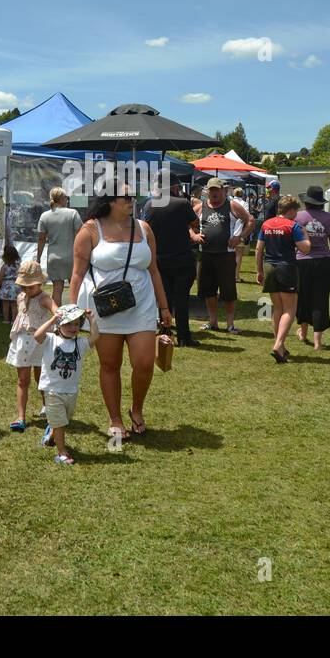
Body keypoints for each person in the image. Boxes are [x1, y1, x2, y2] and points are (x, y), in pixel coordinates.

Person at [70, 185, 172, 441]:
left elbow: (154, 270)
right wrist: (72, 309)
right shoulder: (90, 229)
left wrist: (164, 307)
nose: (132, 200)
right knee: (110, 364)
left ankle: (136, 408)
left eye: (133, 196)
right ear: (110, 201)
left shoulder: (144, 228)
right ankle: (115, 418)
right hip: (105, 308)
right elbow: (77, 274)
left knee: (144, 363)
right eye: (126, 197)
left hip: (142, 305)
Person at [33, 303, 99, 466]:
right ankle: (62, 453)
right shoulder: (50, 340)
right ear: (59, 324)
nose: (72, 327)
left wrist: (91, 319)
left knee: (64, 419)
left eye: (76, 324)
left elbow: (95, 337)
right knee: (60, 423)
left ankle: (51, 434)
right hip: (53, 390)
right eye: (68, 323)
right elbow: (37, 335)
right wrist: (53, 318)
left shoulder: (80, 343)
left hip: (71, 391)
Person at [142, 181, 201, 346]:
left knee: (164, 299)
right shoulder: (182, 203)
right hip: (182, 258)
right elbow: (195, 223)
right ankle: (184, 336)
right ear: (174, 188)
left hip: (159, 259)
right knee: (182, 299)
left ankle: (166, 333)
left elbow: (145, 227)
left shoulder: (149, 205)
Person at [192, 177, 253, 333]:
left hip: (226, 255)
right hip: (205, 255)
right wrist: (194, 236)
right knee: (208, 291)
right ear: (207, 191)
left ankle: (230, 324)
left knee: (228, 292)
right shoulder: (200, 207)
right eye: (211, 190)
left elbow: (250, 220)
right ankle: (213, 322)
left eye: (216, 190)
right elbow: (187, 224)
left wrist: (240, 237)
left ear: (223, 191)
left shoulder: (232, 205)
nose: (214, 193)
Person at [256, 195, 311, 362]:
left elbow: (259, 249)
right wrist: (306, 235)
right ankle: (278, 345)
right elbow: (306, 249)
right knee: (290, 310)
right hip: (286, 268)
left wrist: (259, 271)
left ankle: (280, 345)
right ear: (292, 210)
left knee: (277, 309)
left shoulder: (266, 224)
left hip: (269, 267)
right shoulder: (293, 226)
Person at [4, 260, 54, 431]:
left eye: (30, 287)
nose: (27, 290)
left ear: (40, 283)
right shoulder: (20, 297)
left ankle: (48, 408)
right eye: (24, 287)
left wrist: (59, 318)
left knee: (42, 378)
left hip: (39, 342)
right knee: (22, 380)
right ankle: (21, 417)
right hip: (22, 342)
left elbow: (56, 311)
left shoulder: (44, 298)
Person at [293, 185, 330, 350]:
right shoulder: (329, 218)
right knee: (320, 300)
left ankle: (303, 334)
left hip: (302, 262)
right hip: (323, 262)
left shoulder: (297, 217)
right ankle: (318, 342)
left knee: (303, 298)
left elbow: (293, 242)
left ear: (307, 202)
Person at [36, 187, 83, 303]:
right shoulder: (73, 213)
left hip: (54, 258)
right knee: (75, 288)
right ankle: (75, 317)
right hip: (72, 257)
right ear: (62, 199)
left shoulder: (44, 216)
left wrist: (38, 258)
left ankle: (57, 318)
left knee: (57, 290)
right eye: (66, 197)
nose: (67, 200)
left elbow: (41, 239)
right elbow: (81, 235)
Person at [0, 244, 22, 323]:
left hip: (6, 288)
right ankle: (14, 321)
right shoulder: (19, 266)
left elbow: (0, 278)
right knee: (14, 305)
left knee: (5, 305)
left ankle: (6, 320)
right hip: (16, 287)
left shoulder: (4, 266)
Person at [232, 187, 248, 283]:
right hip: (239, 231)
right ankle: (236, 276)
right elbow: (247, 218)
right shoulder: (244, 204)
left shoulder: (229, 202)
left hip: (229, 232)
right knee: (238, 255)